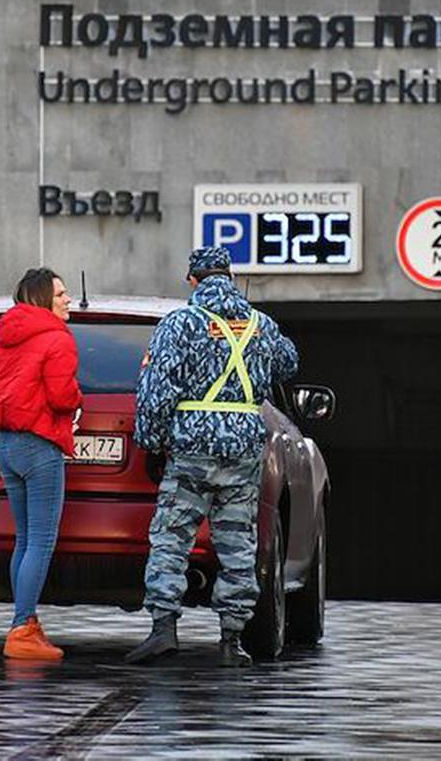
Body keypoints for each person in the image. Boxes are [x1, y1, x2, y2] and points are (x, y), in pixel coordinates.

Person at [127, 246, 298, 667]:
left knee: (172, 538)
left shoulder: (181, 324)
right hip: (242, 450)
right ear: (231, 278)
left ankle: (164, 630)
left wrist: (151, 442)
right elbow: (289, 363)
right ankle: (231, 641)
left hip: (193, 450)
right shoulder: (261, 324)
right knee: (238, 543)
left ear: (193, 280)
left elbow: (156, 392)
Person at [0, 268, 81, 661]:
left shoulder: (8, 337)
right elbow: (60, 395)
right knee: (41, 540)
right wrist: (78, 396)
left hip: (6, 444)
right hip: (39, 444)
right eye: (61, 293)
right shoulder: (57, 338)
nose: (67, 299)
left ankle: (25, 624)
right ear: (43, 299)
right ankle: (22, 631)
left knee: (24, 540)